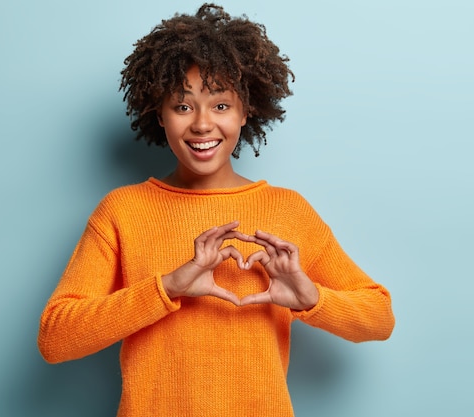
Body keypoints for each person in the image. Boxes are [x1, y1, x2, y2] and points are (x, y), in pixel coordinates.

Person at [38, 3, 395, 416]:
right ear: (160, 114)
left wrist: (310, 298)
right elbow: (55, 337)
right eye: (183, 106)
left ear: (246, 111)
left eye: (221, 105)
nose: (203, 124)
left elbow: (379, 317)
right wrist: (168, 287)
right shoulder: (122, 211)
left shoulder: (288, 210)